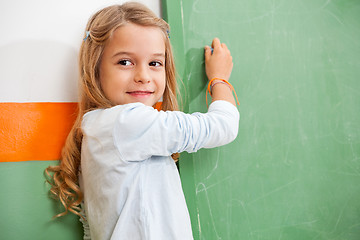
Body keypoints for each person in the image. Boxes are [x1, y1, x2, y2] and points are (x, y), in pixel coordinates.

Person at [46, 2, 239, 240]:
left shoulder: (96, 128)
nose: (143, 76)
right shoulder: (127, 122)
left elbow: (92, 228)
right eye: (125, 62)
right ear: (95, 68)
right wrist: (219, 79)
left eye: (155, 63)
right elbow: (223, 127)